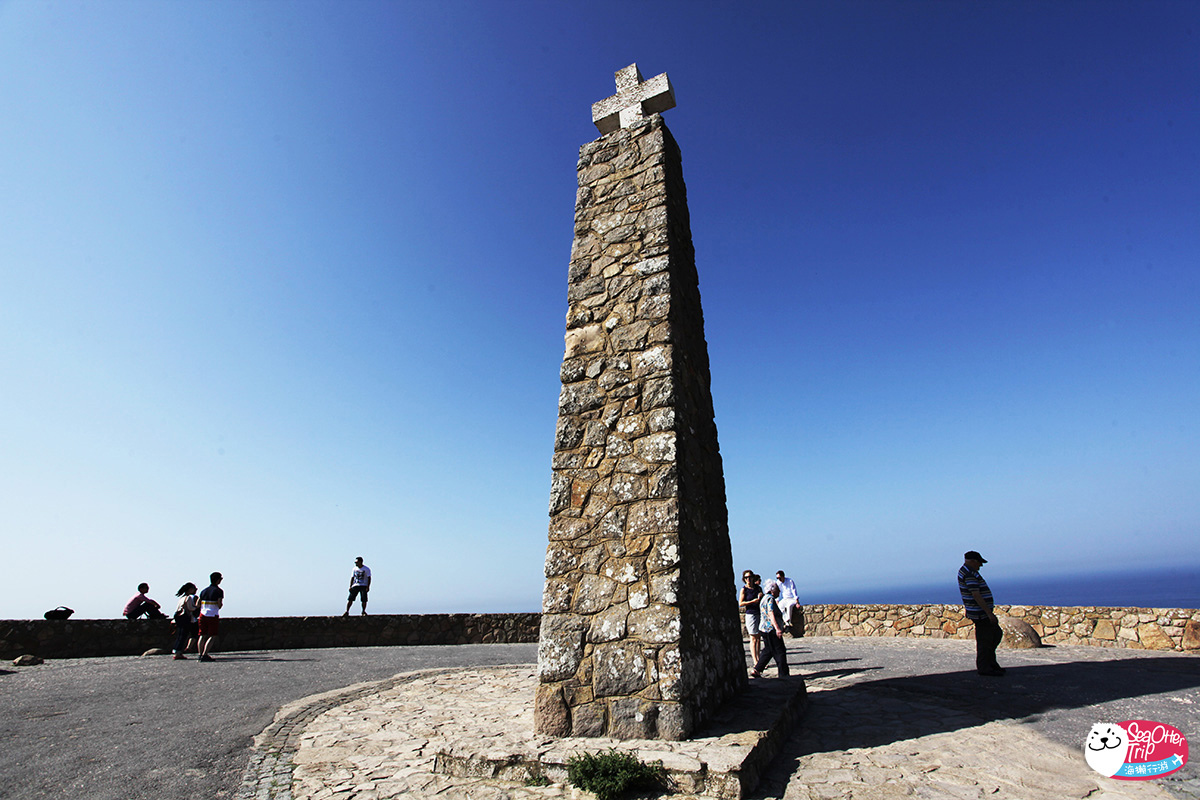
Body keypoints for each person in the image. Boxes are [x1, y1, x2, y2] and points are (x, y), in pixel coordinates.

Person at [958, 551, 1005, 677]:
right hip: (980, 613)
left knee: (994, 635)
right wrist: (988, 613)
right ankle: (985, 667)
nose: (980, 566)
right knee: (985, 640)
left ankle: (991, 663)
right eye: (979, 563)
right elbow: (976, 594)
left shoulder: (968, 572)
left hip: (979, 612)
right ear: (973, 561)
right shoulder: (969, 574)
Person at [750, 580, 790, 678]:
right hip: (770, 629)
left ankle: (757, 669)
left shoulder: (764, 598)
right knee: (780, 651)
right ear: (772, 591)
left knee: (768, 650)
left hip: (764, 629)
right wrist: (777, 628)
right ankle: (783, 674)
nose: (779, 592)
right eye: (777, 589)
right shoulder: (770, 599)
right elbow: (771, 613)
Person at [738, 571, 764, 664]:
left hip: (759, 613)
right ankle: (755, 661)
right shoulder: (744, 590)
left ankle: (759, 658)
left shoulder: (758, 588)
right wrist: (752, 601)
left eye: (749, 577)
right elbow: (741, 603)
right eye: (746, 578)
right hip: (750, 614)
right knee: (753, 637)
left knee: (758, 637)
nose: (748, 579)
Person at [197, 572, 224, 662]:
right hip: (212, 614)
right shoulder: (219, 591)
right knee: (212, 635)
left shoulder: (203, 591)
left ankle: (200, 654)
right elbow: (219, 605)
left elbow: (198, 604)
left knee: (202, 635)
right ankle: (205, 654)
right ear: (217, 580)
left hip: (202, 614)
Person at [172, 582, 199, 660]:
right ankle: (178, 652)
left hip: (178, 617)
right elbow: (191, 608)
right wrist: (197, 606)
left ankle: (176, 650)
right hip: (185, 618)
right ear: (190, 589)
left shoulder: (182, 598)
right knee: (184, 635)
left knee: (180, 635)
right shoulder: (189, 598)